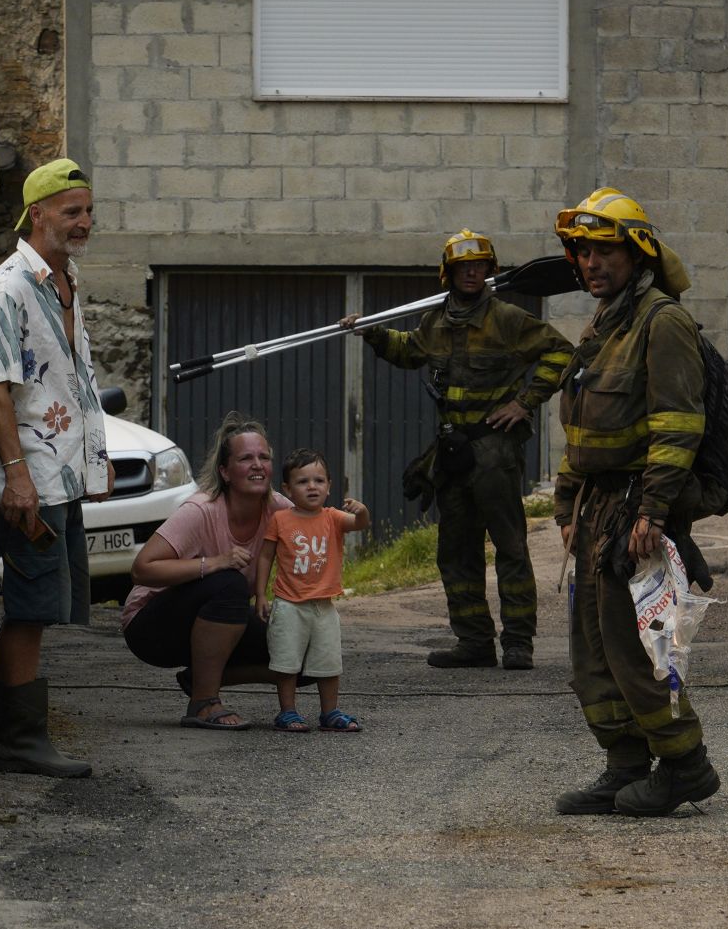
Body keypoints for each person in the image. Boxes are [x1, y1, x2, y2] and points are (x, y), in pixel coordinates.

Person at [548, 188, 722, 818]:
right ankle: (625, 766)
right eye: (583, 251)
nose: (591, 262)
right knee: (592, 652)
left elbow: (678, 426)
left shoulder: (661, 321)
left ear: (637, 251)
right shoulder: (604, 322)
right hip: (597, 511)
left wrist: (652, 513)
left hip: (637, 516)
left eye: (605, 250)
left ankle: (684, 766)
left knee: (639, 651)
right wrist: (565, 506)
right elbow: (583, 431)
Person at [341, 230, 573, 671]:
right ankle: (474, 642)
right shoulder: (435, 322)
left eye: (481, 266)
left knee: (509, 547)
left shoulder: (508, 318)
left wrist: (523, 403)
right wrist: (372, 333)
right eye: (464, 266)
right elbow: (409, 351)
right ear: (448, 273)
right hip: (452, 453)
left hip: (495, 452)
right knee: (456, 550)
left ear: (490, 271)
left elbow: (562, 353)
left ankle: (519, 643)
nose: (473, 272)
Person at [0, 158, 112, 776]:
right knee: (28, 607)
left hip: (60, 473)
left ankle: (12, 738)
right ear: (38, 214)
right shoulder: (7, 288)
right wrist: (16, 474)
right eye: (71, 211)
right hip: (29, 474)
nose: (83, 222)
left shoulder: (65, 278)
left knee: (44, 606)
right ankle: (16, 741)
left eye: (87, 210)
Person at [123, 415, 294, 729]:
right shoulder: (201, 510)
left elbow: (314, 539)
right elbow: (141, 570)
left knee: (307, 652)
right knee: (229, 582)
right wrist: (212, 562)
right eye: (246, 458)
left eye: (264, 457)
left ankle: (200, 678)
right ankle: (204, 701)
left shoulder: (280, 511)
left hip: (220, 622)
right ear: (225, 472)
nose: (257, 465)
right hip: (152, 626)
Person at [255, 450, 372, 732]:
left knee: (329, 662)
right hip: (288, 605)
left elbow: (359, 524)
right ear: (287, 489)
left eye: (319, 480)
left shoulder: (333, 518)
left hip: (324, 606)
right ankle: (287, 712)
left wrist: (362, 511)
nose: (312, 486)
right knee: (286, 662)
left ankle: (330, 712)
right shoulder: (280, 520)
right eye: (303, 481)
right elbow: (264, 557)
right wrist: (260, 593)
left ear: (330, 486)